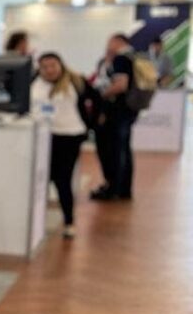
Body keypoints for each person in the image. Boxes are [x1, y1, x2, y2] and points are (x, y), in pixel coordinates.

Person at [31, 53, 96, 238]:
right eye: (45, 67)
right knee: (43, 178)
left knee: (62, 179)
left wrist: (91, 124)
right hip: (43, 135)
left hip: (69, 136)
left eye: (53, 65)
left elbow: (96, 99)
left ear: (61, 65)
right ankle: (37, 220)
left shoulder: (76, 81)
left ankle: (69, 221)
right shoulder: (34, 83)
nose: (49, 70)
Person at [92, 33, 138, 201]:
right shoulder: (133, 58)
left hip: (116, 111)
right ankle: (123, 188)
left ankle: (113, 188)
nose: (108, 46)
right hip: (127, 110)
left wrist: (100, 96)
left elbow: (120, 85)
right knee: (123, 149)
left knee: (112, 149)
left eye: (110, 42)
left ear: (119, 42)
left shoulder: (121, 59)